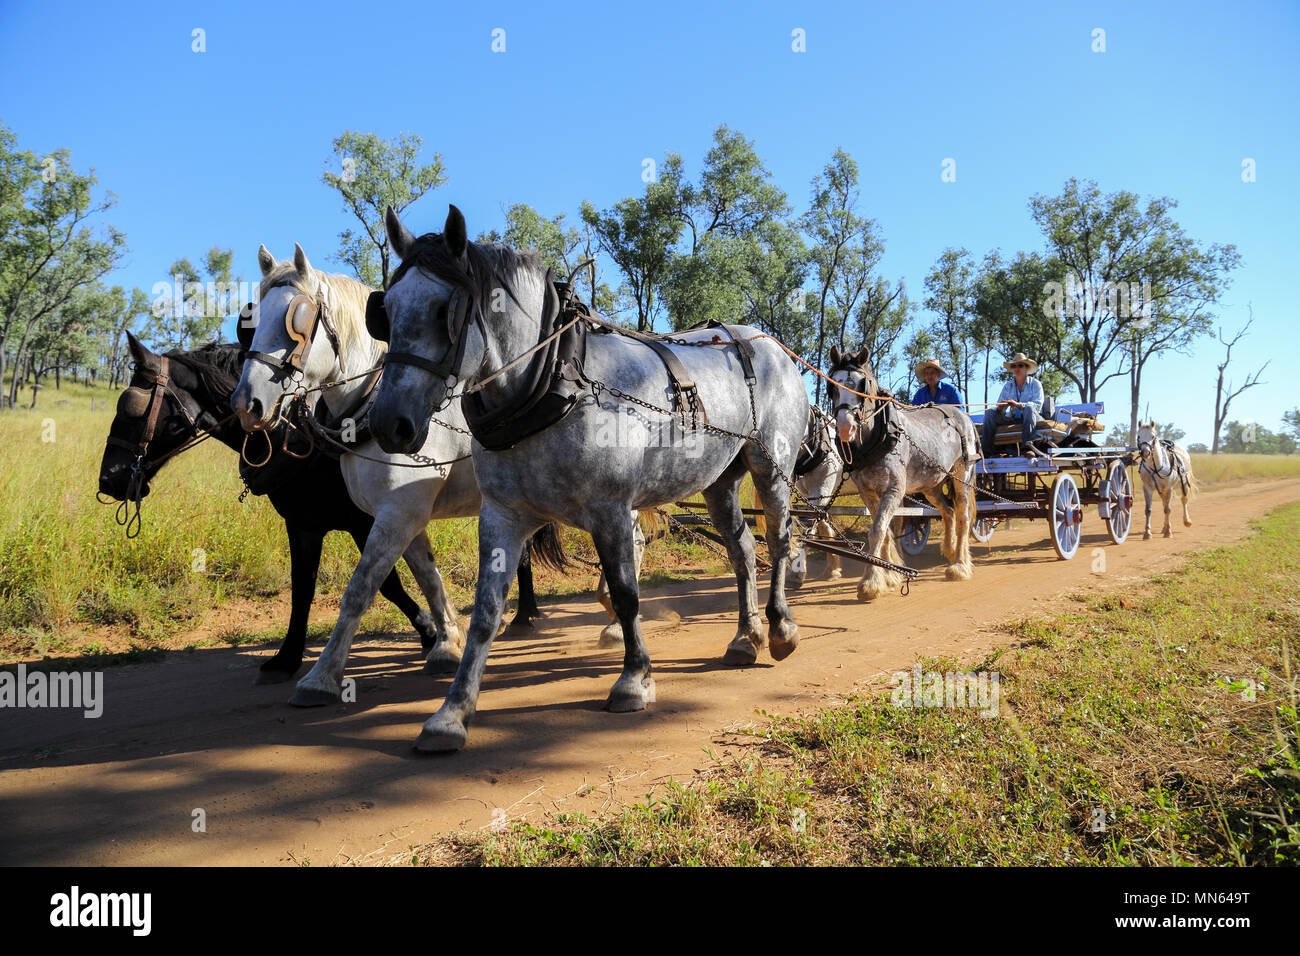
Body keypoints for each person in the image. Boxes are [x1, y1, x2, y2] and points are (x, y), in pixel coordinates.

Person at [981, 352, 1046, 457]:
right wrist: (1000, 408)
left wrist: (1018, 405)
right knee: (989, 413)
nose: (1017, 368)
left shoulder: (1036, 384)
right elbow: (1000, 406)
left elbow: (1037, 406)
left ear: (1026, 368)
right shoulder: (1008, 386)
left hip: (1032, 418)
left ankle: (1027, 448)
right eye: (1014, 366)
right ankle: (986, 452)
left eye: (1020, 365)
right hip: (1013, 419)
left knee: (1029, 408)